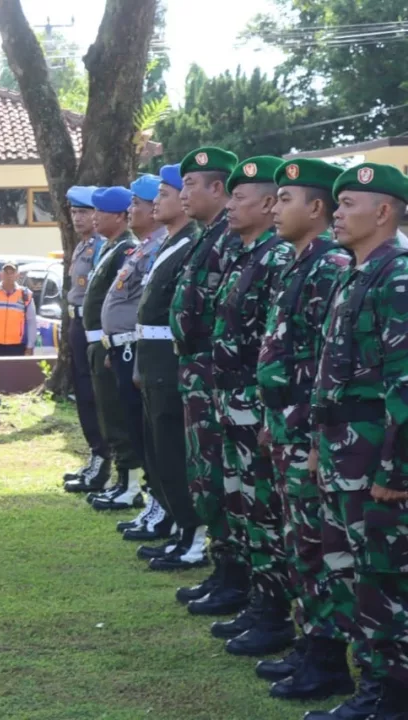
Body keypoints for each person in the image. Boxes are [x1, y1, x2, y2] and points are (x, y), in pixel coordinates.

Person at [308, 163, 408, 720]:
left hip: (379, 458)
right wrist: (323, 442)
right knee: (350, 570)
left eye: (348, 204)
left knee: (383, 578)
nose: (337, 213)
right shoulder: (356, 272)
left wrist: (398, 471)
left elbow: (406, 384)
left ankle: (390, 698)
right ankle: (371, 685)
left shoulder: (397, 278)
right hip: (346, 449)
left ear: (384, 212)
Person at [254, 159, 354, 701]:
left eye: (285, 198)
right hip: (287, 428)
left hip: (312, 435)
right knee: (300, 543)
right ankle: (309, 643)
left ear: (314, 208)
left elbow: (326, 362)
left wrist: (311, 433)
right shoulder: (299, 263)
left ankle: (327, 658)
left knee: (317, 547)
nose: (274, 207)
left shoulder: (328, 266)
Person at [209, 156, 296, 657]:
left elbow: (277, 344)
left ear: (266, 204)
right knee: (245, 505)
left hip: (261, 409)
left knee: (266, 511)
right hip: (235, 402)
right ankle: (259, 603)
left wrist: (268, 411)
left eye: (240, 198)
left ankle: (274, 612)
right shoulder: (249, 255)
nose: (231, 207)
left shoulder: (277, 258)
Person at [169, 147, 247, 616]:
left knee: (223, 480)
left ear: (217, 189)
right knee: (206, 478)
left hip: (218, 376)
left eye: (192, 185)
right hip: (199, 374)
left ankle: (238, 578)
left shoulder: (231, 240)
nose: (183, 195)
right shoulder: (208, 236)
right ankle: (224, 570)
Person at [131, 164, 208, 569]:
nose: (157, 201)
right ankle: (180, 528)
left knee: (174, 450)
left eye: (164, 193)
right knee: (159, 449)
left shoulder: (193, 243)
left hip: (170, 359)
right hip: (152, 358)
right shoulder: (170, 243)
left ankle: (194, 534)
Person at [95, 175, 163, 515]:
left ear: (155, 210)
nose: (132, 209)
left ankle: (153, 500)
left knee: (145, 432)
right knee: (130, 426)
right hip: (121, 347)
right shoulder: (142, 247)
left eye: (138, 204)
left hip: (137, 350)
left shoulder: (159, 247)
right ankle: (147, 498)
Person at [75, 186, 143, 510]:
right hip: (101, 344)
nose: (94, 217)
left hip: (114, 344)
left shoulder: (125, 249)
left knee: (118, 417)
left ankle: (130, 484)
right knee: (107, 415)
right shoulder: (110, 248)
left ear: (119, 216)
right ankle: (121, 480)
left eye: (100, 212)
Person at [61, 186, 110, 490]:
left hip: (91, 327)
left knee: (95, 396)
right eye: (74, 212)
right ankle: (95, 454)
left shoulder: (102, 247)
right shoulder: (82, 246)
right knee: (81, 392)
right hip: (75, 324)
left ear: (98, 214)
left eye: (84, 212)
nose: (78, 218)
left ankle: (105, 458)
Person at [0, 259, 37, 356]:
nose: (9, 275)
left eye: (12, 272)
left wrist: (30, 346)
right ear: (0, 274)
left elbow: (32, 322)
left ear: (17, 275)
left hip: (17, 347)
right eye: (6, 272)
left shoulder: (26, 295)